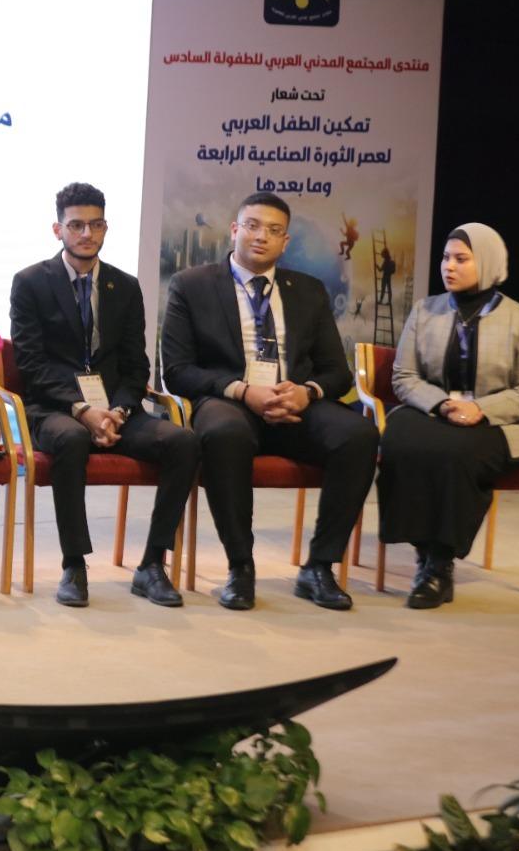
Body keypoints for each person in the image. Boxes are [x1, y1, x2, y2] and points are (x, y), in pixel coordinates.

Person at [161, 193, 378, 611]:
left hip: (294, 403)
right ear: (235, 230)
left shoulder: (308, 291)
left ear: (285, 241)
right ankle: (240, 566)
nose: (262, 236)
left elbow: (337, 372)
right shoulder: (192, 285)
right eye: (253, 226)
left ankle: (319, 566)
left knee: (359, 435)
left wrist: (305, 392)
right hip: (230, 400)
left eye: (274, 230)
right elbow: (177, 370)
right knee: (224, 434)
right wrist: (244, 391)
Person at [11, 183, 198, 608]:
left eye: (95, 225)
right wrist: (82, 411)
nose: (86, 234)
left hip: (115, 408)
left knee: (183, 441)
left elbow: (136, 366)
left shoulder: (125, 286)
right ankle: (74, 564)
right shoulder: (31, 283)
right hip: (55, 408)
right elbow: (32, 366)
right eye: (76, 225)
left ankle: (152, 564)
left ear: (106, 228)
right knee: (71, 438)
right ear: (58, 229)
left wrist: (118, 411)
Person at [377, 224, 519, 608]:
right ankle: (424, 550)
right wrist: (442, 404)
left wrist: (480, 409)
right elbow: (404, 376)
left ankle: (439, 566)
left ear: (487, 262)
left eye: (461, 259)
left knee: (456, 454)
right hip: (434, 409)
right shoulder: (425, 310)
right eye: (445, 257)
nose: (448, 266)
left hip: (497, 421)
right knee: (398, 440)